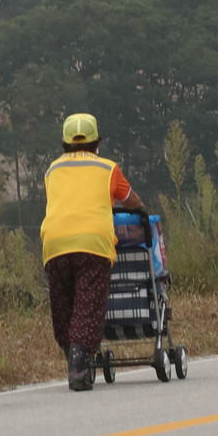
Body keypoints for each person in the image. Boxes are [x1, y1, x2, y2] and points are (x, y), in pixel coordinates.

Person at [40, 112, 144, 392]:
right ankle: (78, 364)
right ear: (97, 142)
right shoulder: (108, 169)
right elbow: (129, 199)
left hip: (55, 244)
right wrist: (140, 209)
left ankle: (74, 355)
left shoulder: (51, 171)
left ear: (64, 145)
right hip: (93, 245)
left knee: (64, 306)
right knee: (88, 303)